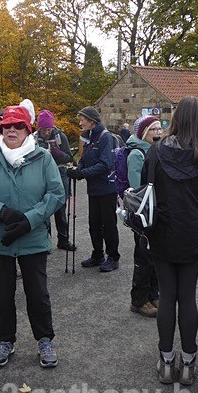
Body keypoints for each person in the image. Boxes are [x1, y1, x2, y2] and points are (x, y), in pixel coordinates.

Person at [0, 105, 65, 369]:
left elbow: (56, 194)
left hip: (33, 238)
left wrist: (29, 220)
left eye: (18, 125)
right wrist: (2, 212)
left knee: (38, 294)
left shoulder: (43, 158)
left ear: (27, 130)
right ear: (0, 129)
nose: (12, 129)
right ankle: (4, 341)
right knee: (2, 296)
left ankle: (44, 340)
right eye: (7, 126)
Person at [142, 96, 198, 386]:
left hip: (162, 232)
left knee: (167, 296)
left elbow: (145, 188)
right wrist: (194, 216)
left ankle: (166, 361)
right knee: (187, 296)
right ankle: (188, 362)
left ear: (176, 118)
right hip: (193, 234)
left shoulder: (156, 151)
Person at [66, 106, 121, 272]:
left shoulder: (105, 137)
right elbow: (84, 158)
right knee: (94, 224)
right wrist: (78, 168)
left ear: (92, 121)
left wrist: (82, 173)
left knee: (108, 224)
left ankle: (113, 257)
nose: (80, 122)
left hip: (107, 188)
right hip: (94, 188)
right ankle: (98, 254)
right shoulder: (90, 136)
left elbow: (105, 164)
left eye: (82, 119)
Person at [126, 115, 162, 318]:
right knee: (144, 257)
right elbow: (137, 188)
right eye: (153, 129)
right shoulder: (136, 154)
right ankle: (139, 300)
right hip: (142, 213)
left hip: (155, 211)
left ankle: (153, 294)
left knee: (155, 255)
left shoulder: (155, 150)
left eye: (160, 128)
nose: (158, 132)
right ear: (144, 133)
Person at [33, 109, 76, 251]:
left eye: (49, 129)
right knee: (44, 209)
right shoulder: (33, 138)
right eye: (44, 130)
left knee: (60, 208)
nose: (46, 132)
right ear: (39, 128)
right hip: (41, 175)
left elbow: (69, 158)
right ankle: (45, 241)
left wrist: (56, 152)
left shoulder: (60, 137)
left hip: (60, 173)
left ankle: (63, 240)